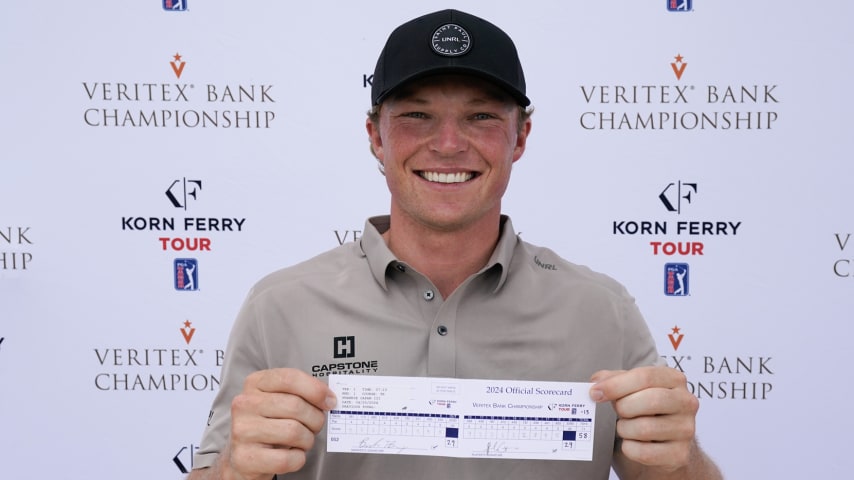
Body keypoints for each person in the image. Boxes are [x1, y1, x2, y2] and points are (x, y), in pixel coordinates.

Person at [188, 9, 723, 480]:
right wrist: (236, 469)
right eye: (417, 115)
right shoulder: (280, 306)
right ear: (376, 135)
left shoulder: (601, 311)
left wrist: (680, 461)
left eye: (481, 116)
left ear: (520, 138)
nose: (447, 144)